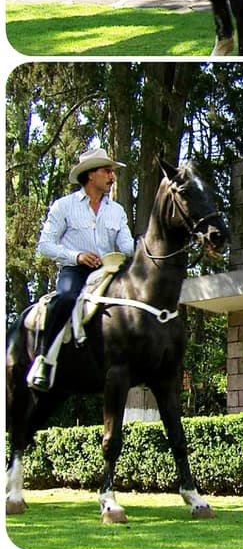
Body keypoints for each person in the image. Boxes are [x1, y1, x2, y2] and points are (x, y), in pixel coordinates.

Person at [30, 148, 135, 390]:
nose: (112, 176)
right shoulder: (63, 206)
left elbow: (127, 245)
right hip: (75, 271)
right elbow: (44, 245)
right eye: (107, 171)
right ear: (90, 175)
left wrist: (145, 244)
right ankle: (44, 360)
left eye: (112, 172)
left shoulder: (116, 210)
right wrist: (76, 256)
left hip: (109, 271)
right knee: (66, 297)